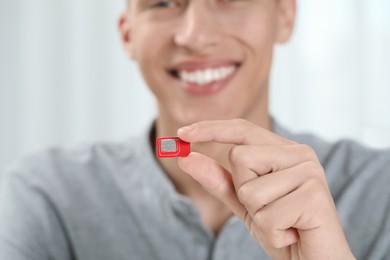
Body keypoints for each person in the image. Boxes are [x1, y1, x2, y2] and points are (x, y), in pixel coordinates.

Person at [0, 0, 389, 259]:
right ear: (127, 34)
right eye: (164, 2)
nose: (195, 36)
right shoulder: (48, 195)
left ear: (284, 16)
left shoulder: (379, 187)